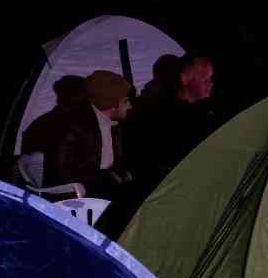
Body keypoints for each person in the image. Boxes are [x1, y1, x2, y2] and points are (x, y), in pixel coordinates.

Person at [127, 53, 219, 187]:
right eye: (205, 78)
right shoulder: (156, 115)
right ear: (184, 78)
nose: (210, 83)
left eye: (210, 78)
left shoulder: (210, 113)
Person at [43, 70, 134, 202]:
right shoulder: (72, 126)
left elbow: (118, 162)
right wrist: (107, 177)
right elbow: (61, 174)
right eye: (126, 101)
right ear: (112, 104)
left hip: (103, 188)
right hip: (79, 198)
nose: (130, 106)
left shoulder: (114, 124)